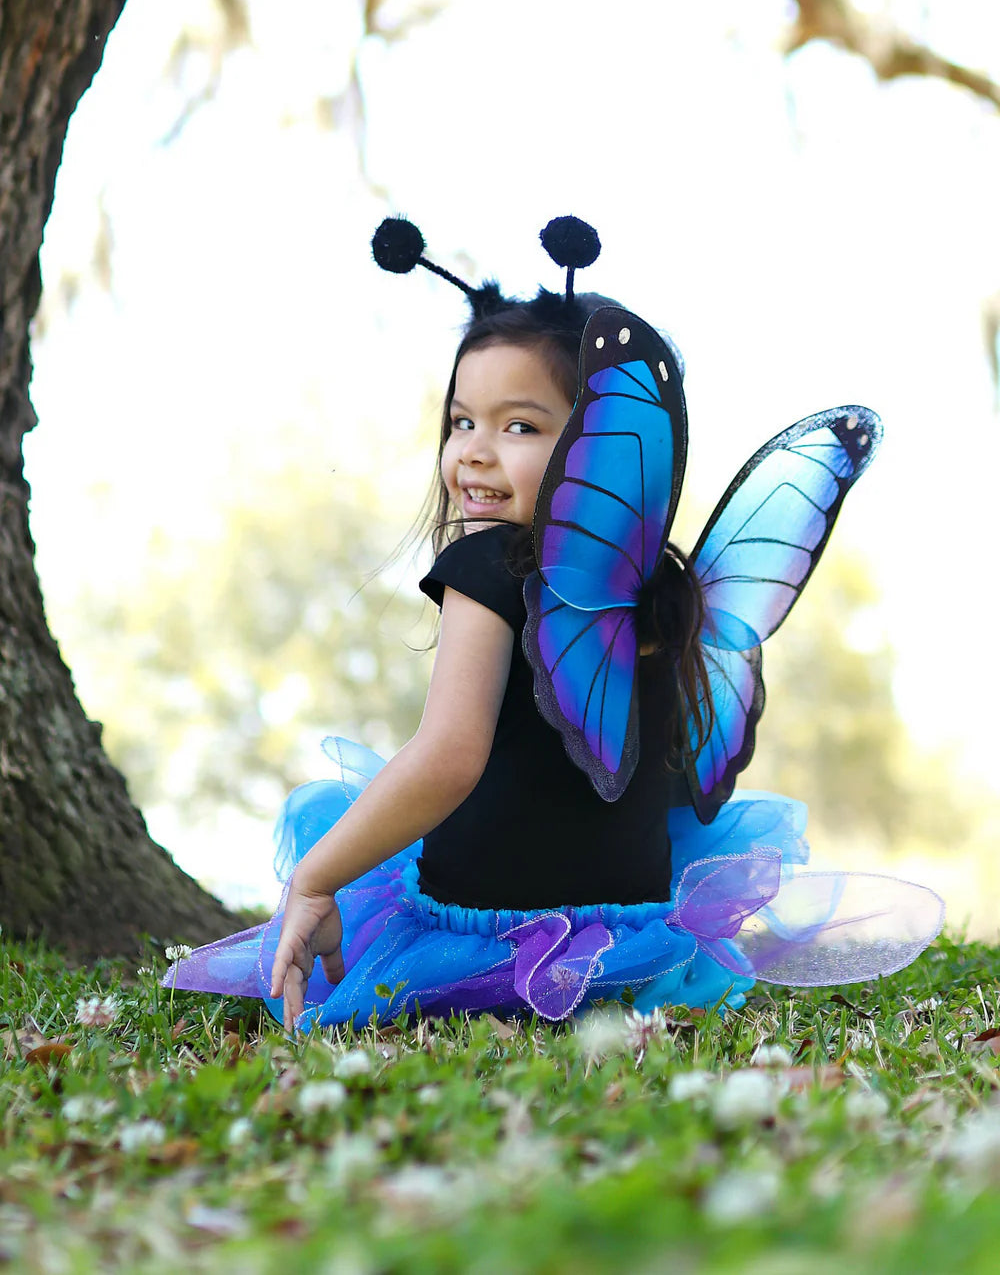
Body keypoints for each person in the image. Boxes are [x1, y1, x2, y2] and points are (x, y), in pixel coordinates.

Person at [166, 216, 943, 1032]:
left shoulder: (487, 566)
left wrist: (318, 877)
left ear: (597, 446)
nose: (474, 451)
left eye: (520, 427)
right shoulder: (663, 591)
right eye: (461, 422)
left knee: (360, 846)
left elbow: (447, 758)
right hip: (634, 935)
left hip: (485, 932)